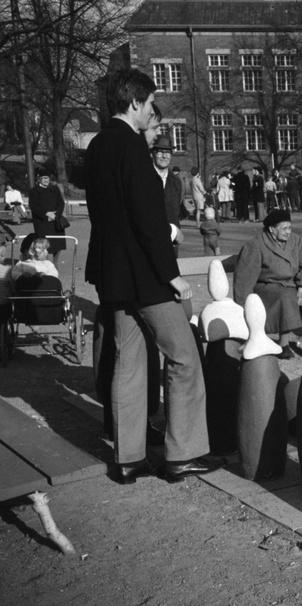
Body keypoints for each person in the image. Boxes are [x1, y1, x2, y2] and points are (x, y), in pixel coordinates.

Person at [84, 67, 217, 484]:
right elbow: (148, 222)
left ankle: (128, 459)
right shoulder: (131, 149)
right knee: (184, 357)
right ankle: (183, 454)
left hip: (113, 275)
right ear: (135, 102)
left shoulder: (98, 147)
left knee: (128, 361)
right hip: (145, 277)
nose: (150, 114)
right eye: (148, 103)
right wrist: (171, 274)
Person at [234, 208, 302, 359]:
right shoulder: (256, 244)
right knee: (285, 297)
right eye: (284, 228)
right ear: (272, 229)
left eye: (290, 227)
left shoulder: (296, 241)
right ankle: (283, 345)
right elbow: (244, 278)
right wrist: (243, 305)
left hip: (292, 285)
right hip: (265, 287)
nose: (288, 232)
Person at [150, 135, 184, 257]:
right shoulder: (144, 177)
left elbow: (175, 211)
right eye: (160, 152)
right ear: (153, 153)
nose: (164, 156)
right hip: (149, 241)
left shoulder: (176, 182)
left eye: (168, 152)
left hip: (171, 241)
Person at [26, 173, 66, 262]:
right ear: (39, 179)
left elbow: (61, 203)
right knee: (43, 246)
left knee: (57, 245)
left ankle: (55, 267)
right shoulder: (34, 191)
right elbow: (33, 206)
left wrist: (56, 215)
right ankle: (44, 265)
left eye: (47, 178)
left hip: (55, 221)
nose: (46, 180)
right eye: (43, 178)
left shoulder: (54, 189)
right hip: (42, 222)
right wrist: (46, 214)